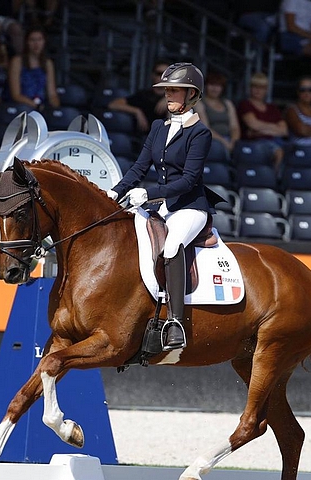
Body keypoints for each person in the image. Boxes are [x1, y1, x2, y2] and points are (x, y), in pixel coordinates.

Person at [106, 63, 222, 352]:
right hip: (164, 205)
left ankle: (175, 323)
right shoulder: (158, 127)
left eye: (174, 90)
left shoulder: (200, 134)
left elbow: (188, 181)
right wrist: (114, 192)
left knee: (171, 248)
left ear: (191, 94)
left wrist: (149, 192)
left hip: (190, 207)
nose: (168, 95)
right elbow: (139, 166)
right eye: (167, 89)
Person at [236, 72, 288, 167]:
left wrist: (262, 131)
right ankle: (274, 179)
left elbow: (284, 130)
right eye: (255, 87)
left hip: (273, 141)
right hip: (252, 142)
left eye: (262, 88)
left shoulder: (272, 108)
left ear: (266, 90)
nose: (258, 90)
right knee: (278, 152)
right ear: (250, 88)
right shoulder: (245, 104)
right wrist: (274, 127)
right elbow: (253, 125)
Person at [7, 27, 59, 110]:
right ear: (27, 42)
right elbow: (16, 95)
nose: (36, 44)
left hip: (41, 104)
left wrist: (55, 106)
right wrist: (35, 105)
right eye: (32, 40)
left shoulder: (48, 63)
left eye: (39, 40)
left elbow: (52, 94)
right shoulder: (17, 61)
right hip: (23, 104)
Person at [108, 62, 170, 133]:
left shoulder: (178, 97)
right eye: (159, 73)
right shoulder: (144, 95)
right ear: (153, 75)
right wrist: (137, 111)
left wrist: (169, 99)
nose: (163, 77)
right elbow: (113, 104)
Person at [195, 72, 241, 157]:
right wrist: (224, 142)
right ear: (206, 86)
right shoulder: (199, 103)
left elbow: (234, 127)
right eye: (212, 85)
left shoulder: (228, 104)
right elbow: (205, 128)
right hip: (211, 140)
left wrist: (233, 142)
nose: (215, 89)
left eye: (218, 86)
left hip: (229, 140)